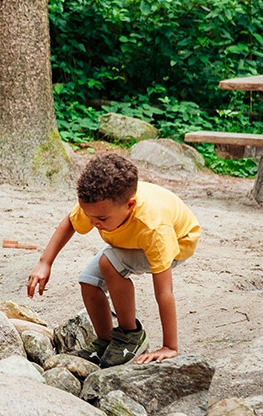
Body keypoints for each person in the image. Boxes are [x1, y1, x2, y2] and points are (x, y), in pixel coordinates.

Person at [27, 153, 200, 366]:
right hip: (131, 238)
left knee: (108, 262)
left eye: (101, 219)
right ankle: (106, 341)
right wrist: (45, 262)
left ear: (130, 205)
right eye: (89, 215)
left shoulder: (154, 228)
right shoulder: (99, 206)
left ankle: (131, 334)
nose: (93, 223)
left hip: (178, 243)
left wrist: (170, 346)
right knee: (89, 281)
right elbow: (70, 222)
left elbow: (164, 292)